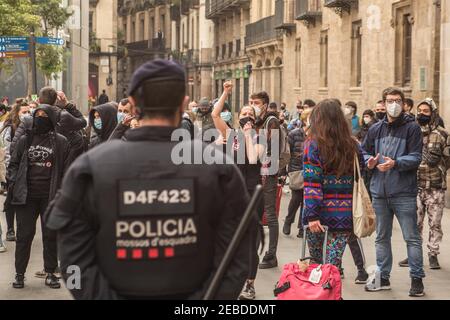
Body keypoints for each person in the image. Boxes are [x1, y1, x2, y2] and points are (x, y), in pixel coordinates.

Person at [45, 59, 251, 300]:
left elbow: (71, 261)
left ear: (132, 106)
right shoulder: (219, 169)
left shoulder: (89, 168)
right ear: (184, 102)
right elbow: (240, 257)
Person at [362, 87, 425, 297]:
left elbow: (416, 157)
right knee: (381, 237)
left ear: (404, 103)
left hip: (403, 192)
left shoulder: (412, 128)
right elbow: (364, 152)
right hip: (379, 191)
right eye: (389, 100)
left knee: (411, 238)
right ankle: (383, 277)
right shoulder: (375, 129)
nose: (393, 104)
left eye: (397, 100)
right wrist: (368, 162)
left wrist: (396, 163)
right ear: (384, 102)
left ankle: (417, 280)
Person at [212, 81, 265, 301]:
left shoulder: (260, 138)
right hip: (232, 194)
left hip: (252, 195)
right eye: (243, 113)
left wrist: (248, 134)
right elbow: (215, 115)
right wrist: (225, 93)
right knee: (228, 237)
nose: (246, 116)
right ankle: (228, 278)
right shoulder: (230, 135)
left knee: (250, 240)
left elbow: (253, 158)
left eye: (250, 114)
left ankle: (250, 284)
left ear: (255, 118)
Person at [9, 105, 70, 289]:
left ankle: (50, 272)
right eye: (38, 115)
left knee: (50, 236)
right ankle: (19, 274)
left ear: (51, 118)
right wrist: (13, 182)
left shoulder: (61, 142)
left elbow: (67, 170)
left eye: (44, 115)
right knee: (24, 236)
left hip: (50, 197)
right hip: (26, 197)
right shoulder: (25, 140)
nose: (40, 118)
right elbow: (14, 163)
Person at [303, 99, 364, 276]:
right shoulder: (352, 145)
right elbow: (360, 175)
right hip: (343, 214)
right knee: (333, 267)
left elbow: (312, 182)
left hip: (318, 216)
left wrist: (312, 215)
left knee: (316, 265)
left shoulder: (313, 145)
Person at [398, 98, 447, 270]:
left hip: (435, 187)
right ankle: (413, 254)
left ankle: (433, 255)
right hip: (414, 186)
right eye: (420, 111)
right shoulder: (412, 131)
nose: (421, 114)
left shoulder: (442, 134)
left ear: (433, 113)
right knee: (413, 223)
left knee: (435, 223)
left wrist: (438, 168)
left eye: (426, 111)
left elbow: (448, 159)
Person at [251, 91, 281, 269]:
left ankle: (271, 254)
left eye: (256, 102)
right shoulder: (257, 122)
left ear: (264, 104)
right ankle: (255, 250)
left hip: (268, 171)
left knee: (269, 214)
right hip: (257, 170)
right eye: (251, 101)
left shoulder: (271, 121)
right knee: (257, 213)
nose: (253, 104)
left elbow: (273, 147)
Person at [1, 100, 31, 242]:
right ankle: (10, 229)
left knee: (23, 201)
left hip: (26, 170)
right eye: (23, 112)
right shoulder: (9, 128)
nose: (26, 114)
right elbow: (6, 151)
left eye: (28, 112)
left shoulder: (31, 127)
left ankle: (21, 228)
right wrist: (9, 172)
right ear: (17, 113)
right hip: (13, 170)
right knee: (11, 200)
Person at [283, 121, 305, 239]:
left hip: (311, 171)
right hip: (296, 170)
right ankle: (288, 221)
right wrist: (284, 172)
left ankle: (302, 227)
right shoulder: (293, 134)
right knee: (296, 199)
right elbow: (287, 153)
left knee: (306, 201)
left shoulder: (317, 134)